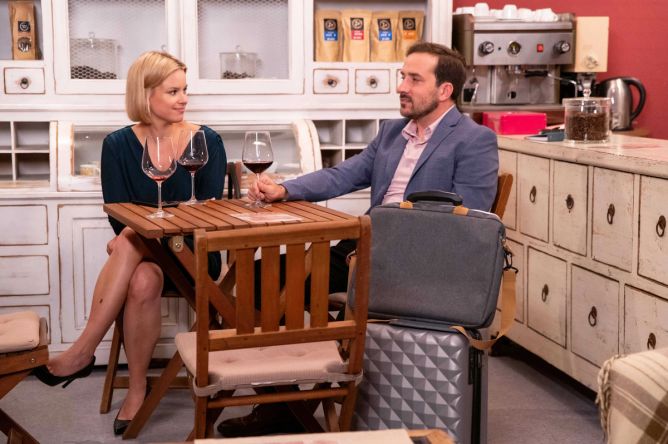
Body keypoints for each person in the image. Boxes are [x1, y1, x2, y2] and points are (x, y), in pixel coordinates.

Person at [218, 41, 498, 437]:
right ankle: (283, 402)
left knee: (293, 288)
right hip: (363, 251)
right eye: (402, 76)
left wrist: (398, 227)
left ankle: (292, 401)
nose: (401, 86)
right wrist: (285, 189)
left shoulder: (473, 139)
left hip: (417, 266)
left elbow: (470, 218)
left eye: (414, 79)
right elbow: (344, 175)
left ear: (444, 90)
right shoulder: (392, 132)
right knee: (263, 276)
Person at [33, 51, 227, 436]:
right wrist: (140, 231)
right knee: (141, 277)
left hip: (194, 254)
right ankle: (137, 390)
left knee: (129, 238)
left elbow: (208, 211)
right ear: (145, 94)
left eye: (184, 90)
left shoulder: (205, 140)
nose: (184, 99)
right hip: (142, 258)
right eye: (173, 91)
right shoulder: (118, 145)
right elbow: (116, 212)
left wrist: (142, 229)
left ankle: (82, 350)